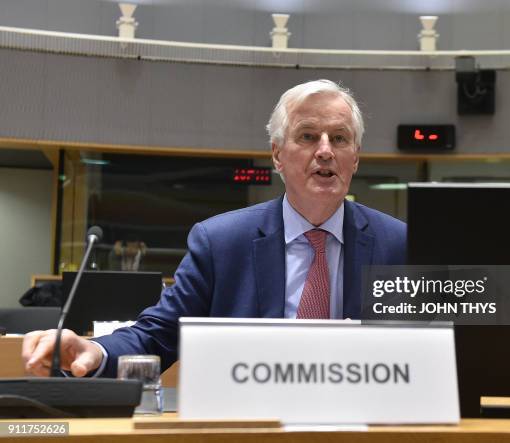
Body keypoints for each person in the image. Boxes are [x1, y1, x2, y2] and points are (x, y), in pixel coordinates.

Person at [22, 79, 407, 378]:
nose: (325, 150)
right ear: (276, 154)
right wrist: (96, 351)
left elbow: (439, 345)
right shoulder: (222, 243)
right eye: (308, 136)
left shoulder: (399, 243)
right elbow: (158, 334)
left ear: (354, 157)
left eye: (339, 138)